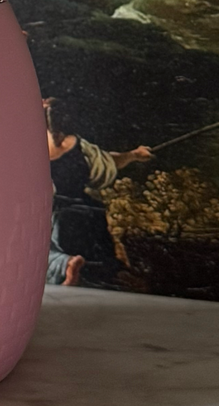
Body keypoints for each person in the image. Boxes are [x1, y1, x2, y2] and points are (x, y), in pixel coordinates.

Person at [43, 98, 152, 287]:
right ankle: (112, 273)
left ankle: (66, 265)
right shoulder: (78, 145)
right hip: (89, 212)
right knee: (102, 260)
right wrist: (134, 155)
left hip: (58, 218)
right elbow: (107, 162)